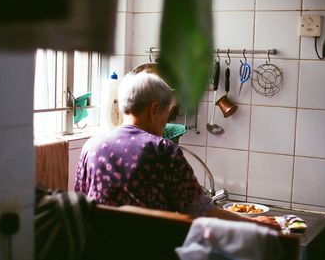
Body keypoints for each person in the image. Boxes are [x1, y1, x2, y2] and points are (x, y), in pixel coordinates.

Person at [75, 71, 279, 229]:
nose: (166, 121)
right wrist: (256, 223)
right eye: (168, 113)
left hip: (99, 249)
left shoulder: (91, 146)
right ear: (154, 109)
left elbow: (81, 205)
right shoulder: (162, 150)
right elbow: (201, 211)